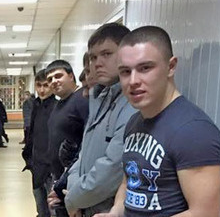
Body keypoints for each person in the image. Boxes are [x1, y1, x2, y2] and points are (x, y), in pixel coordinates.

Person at [94, 26, 220, 217]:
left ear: (171, 67)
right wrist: (116, 212)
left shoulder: (193, 130)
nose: (133, 81)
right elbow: (129, 182)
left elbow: (205, 213)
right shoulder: (134, 122)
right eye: (125, 72)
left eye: (145, 68)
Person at [58, 23, 136, 217]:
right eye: (93, 57)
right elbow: (84, 155)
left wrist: (73, 198)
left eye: (106, 54)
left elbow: (113, 168)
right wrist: (74, 193)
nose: (97, 63)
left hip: (108, 210)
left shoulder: (133, 103)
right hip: (86, 205)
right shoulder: (100, 98)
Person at [44, 60, 89, 217]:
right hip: (59, 178)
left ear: (71, 76)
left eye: (58, 76)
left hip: (72, 180)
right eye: (50, 79)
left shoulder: (82, 99)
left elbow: (87, 142)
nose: (54, 81)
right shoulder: (59, 103)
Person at [22, 69, 57, 217]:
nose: (42, 90)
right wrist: (28, 158)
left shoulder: (57, 107)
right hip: (36, 166)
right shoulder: (35, 105)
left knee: (54, 210)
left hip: (51, 169)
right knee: (41, 209)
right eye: (38, 85)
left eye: (46, 85)